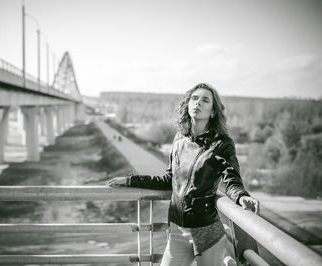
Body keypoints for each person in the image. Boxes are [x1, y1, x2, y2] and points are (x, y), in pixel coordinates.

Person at [107, 83, 259, 266]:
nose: (198, 103)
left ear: (212, 112)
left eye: (205, 100)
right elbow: (168, 180)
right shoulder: (179, 139)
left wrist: (241, 196)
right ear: (188, 105)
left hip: (207, 232)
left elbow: (231, 179)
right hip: (177, 230)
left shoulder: (222, 144)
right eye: (194, 98)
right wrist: (130, 180)